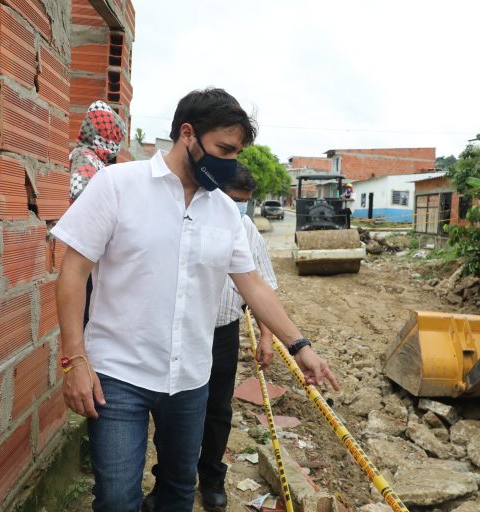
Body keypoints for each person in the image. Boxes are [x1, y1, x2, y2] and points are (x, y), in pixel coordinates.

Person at [52, 87, 338, 512]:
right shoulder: (118, 186)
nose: (229, 162)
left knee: (178, 492)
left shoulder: (224, 212)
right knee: (115, 498)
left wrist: (301, 346)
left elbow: (253, 285)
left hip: (188, 380)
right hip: (117, 374)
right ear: (188, 134)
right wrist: (74, 360)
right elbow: (72, 272)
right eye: (223, 149)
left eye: (235, 153)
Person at [143, 163, 277, 512]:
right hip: (180, 331)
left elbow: (264, 286)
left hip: (223, 333)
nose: (239, 207)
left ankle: (212, 478)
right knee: (171, 409)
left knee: (218, 409)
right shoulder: (187, 219)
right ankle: (167, 479)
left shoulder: (246, 228)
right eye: (235, 199)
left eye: (245, 201)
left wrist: (267, 337)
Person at [67, 100, 126, 328]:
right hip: (88, 249)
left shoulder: (97, 162)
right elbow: (81, 197)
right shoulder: (85, 158)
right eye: (115, 135)